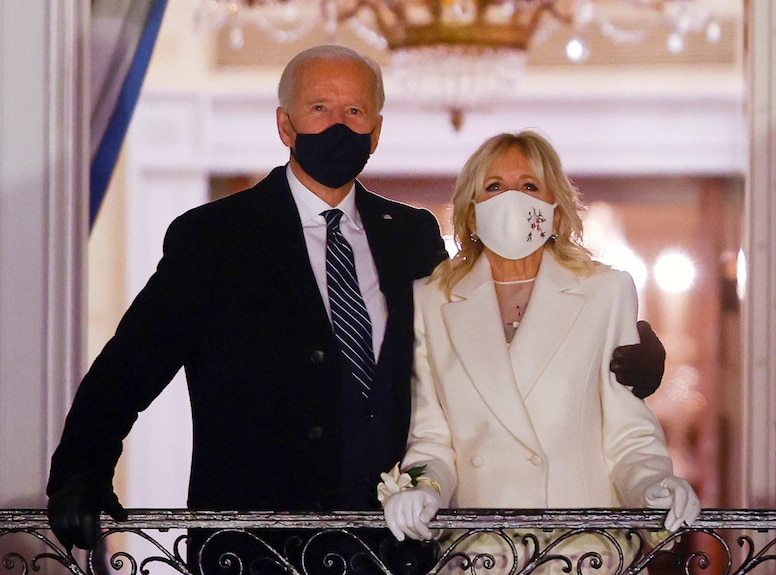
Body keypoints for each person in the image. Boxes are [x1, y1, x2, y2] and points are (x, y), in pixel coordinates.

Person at [46, 46, 665, 567]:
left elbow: (487, 338)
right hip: (258, 546)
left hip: (391, 548)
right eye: (319, 109)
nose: (338, 124)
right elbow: (131, 362)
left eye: (355, 110)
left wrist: (634, 348)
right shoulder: (214, 237)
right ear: (285, 125)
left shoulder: (412, 234)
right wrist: (82, 464)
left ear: (376, 129)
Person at [381, 131, 700, 572]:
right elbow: (433, 440)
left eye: (529, 186)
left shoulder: (605, 292)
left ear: (555, 210)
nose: (512, 199)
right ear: (471, 214)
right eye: (493, 187)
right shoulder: (433, 300)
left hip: (584, 555)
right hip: (483, 556)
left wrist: (656, 488)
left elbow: (628, 437)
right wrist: (423, 489)